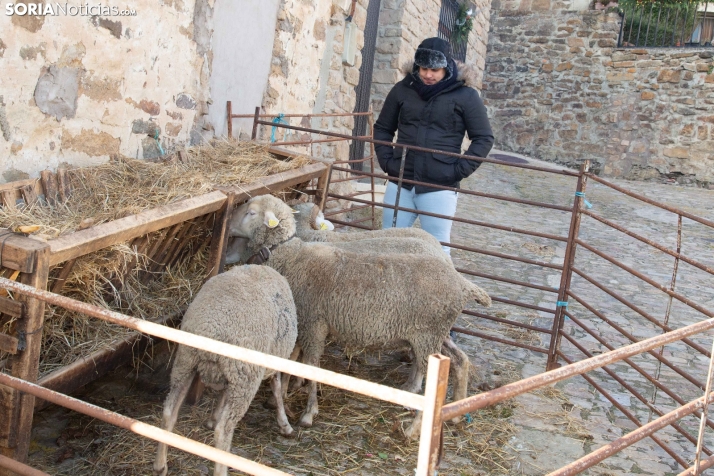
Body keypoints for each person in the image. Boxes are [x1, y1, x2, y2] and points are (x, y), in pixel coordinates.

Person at [374, 37, 494, 254]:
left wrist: (457, 171)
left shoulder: (466, 95)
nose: (428, 74)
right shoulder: (402, 89)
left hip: (439, 187)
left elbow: (484, 138)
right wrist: (388, 163)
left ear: (446, 66)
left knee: (438, 253)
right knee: (387, 246)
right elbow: (383, 128)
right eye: (423, 68)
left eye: (434, 69)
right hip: (401, 181)